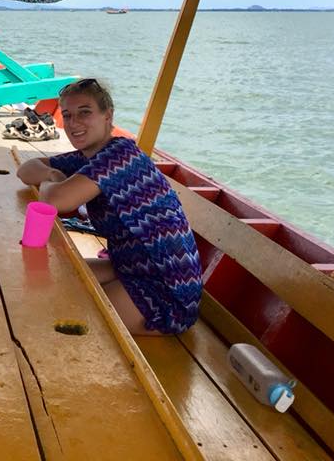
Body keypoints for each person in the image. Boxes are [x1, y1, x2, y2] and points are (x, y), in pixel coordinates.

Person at [17, 78, 202, 335]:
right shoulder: (90, 156)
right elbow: (26, 169)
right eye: (68, 115)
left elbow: (55, 201)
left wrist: (54, 182)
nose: (73, 123)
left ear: (108, 115)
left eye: (85, 112)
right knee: (52, 282)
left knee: (58, 314)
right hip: (129, 265)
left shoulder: (121, 156)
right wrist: (51, 176)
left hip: (166, 291)